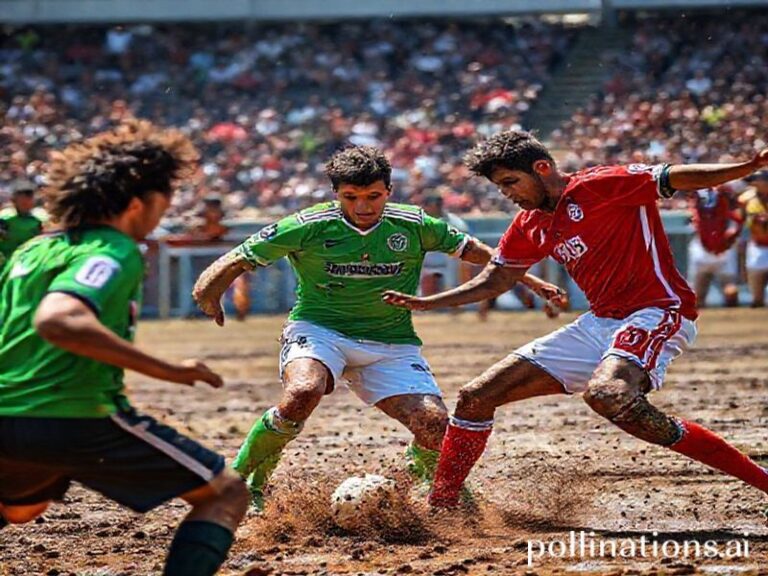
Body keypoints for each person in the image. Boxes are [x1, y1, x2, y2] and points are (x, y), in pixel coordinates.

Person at [382, 130, 768, 508]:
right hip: (598, 323)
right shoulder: (530, 224)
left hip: (657, 311)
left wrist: (747, 166)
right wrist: (429, 303)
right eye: (501, 188)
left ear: (542, 167)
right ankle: (444, 504)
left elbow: (676, 176)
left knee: (606, 395)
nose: (509, 194)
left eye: (511, 182)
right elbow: (497, 278)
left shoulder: (601, 185)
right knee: (474, 398)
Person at [192, 145, 562, 509]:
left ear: (389, 191)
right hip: (320, 331)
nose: (363, 207)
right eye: (351, 197)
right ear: (336, 193)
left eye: (373, 196)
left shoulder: (414, 225)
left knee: (436, 427)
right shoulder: (307, 226)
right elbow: (237, 258)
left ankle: (428, 477)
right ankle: (241, 483)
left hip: (391, 342)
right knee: (304, 392)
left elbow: (480, 253)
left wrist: (532, 282)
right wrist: (208, 291)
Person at [0, 120, 249, 576]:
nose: (165, 210)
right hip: (74, 417)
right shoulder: (114, 249)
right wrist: (168, 370)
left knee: (21, 507)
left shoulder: (29, 251)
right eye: (165, 199)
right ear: (139, 203)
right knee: (226, 492)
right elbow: (60, 319)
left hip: (5, 415)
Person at [686, 185, 744, 307]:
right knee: (696, 295)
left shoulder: (724, 195)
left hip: (718, 248)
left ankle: (734, 318)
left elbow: (737, 219)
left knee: (730, 290)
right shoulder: (703, 198)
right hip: (708, 247)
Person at [0, 180, 44, 271]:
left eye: (30, 199)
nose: (27, 203)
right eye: (23, 201)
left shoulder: (37, 221)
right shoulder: (5, 219)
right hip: (5, 263)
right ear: (14, 200)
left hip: (26, 264)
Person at [740, 171, 768, 307]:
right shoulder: (746, 199)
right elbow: (740, 219)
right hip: (757, 245)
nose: (754, 183)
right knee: (756, 297)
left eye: (759, 180)